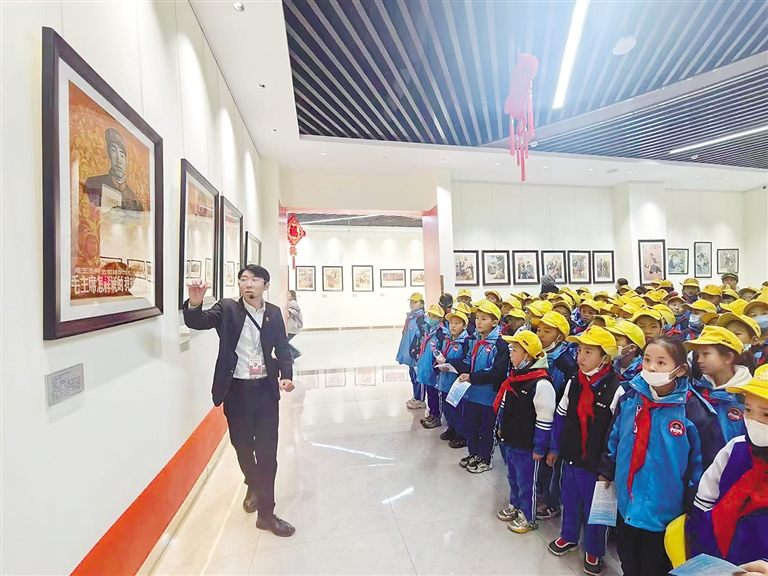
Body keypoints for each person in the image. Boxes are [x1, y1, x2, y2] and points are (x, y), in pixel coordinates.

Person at [183, 265, 295, 537]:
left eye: (255, 280)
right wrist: (195, 304)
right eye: (244, 279)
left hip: (265, 390)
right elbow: (199, 321)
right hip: (236, 391)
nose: (248, 284)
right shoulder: (227, 309)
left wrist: (287, 376)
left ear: (265, 286)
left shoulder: (273, 313)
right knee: (243, 446)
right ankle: (253, 483)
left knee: (267, 452)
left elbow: (282, 348)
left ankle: (266, 514)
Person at [598, 337, 723, 576]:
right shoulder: (630, 397)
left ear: (680, 370)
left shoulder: (694, 412)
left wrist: (691, 510)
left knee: (653, 567)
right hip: (627, 504)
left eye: (661, 362)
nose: (651, 368)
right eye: (647, 360)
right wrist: (606, 470)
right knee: (628, 561)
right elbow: (614, 437)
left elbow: (703, 468)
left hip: (664, 513)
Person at [548, 326, 623, 576]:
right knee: (569, 499)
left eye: (589, 352)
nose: (580, 357)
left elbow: (616, 434)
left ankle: (594, 549)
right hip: (571, 456)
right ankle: (569, 536)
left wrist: (607, 468)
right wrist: (555, 447)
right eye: (580, 350)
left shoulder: (616, 389)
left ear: (605, 358)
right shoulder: (574, 382)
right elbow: (561, 416)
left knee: (597, 510)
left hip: (597, 464)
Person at [686, 366, 768, 565]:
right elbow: (704, 499)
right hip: (716, 558)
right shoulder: (735, 449)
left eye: (766, 414)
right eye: (748, 410)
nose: (754, 420)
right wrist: (697, 553)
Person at [494, 331, 555, 534]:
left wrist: (539, 447)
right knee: (513, 477)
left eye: (515, 350)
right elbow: (504, 407)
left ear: (528, 355)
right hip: (510, 441)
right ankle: (515, 504)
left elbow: (545, 420)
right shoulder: (515, 378)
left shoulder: (542, 384)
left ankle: (528, 516)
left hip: (528, 446)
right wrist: (500, 428)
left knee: (527, 482)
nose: (511, 354)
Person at [456, 301, 510, 474]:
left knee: (487, 429)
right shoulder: (475, 340)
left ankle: (485, 458)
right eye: (477, 318)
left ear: (494, 322)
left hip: (488, 395)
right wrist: (460, 369)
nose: (478, 322)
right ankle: (474, 453)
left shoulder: (500, 344)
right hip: (471, 393)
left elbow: (497, 372)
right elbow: (468, 361)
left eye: (484, 319)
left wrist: (472, 377)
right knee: (470, 426)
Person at [535, 311, 577, 521]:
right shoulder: (538, 355)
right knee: (540, 460)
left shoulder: (565, 362)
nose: (541, 335)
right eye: (539, 330)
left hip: (555, 418)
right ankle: (539, 493)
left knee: (552, 464)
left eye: (547, 331)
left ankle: (552, 503)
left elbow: (564, 397)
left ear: (560, 336)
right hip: (540, 415)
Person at [685, 326, 750, 443]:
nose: (699, 360)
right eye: (698, 354)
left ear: (728, 357)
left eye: (706, 354)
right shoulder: (697, 391)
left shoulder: (746, 396)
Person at [84, 127, 144, 211]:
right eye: (114, 151)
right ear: (108, 154)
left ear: (126, 161)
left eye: (122, 155)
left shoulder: (136, 203)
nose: (119, 160)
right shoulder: (94, 184)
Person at [436, 310, 471, 448]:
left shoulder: (466, 341)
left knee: (458, 409)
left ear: (464, 325)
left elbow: (467, 363)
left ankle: (461, 434)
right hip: (445, 380)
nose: (453, 326)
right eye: (451, 322)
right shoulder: (447, 339)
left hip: (457, 382)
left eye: (457, 323)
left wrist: (448, 362)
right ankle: (452, 428)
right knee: (447, 408)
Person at [415, 304, 448, 429]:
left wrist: (438, 366)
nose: (430, 317)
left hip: (435, 370)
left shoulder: (441, 333)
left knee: (436, 394)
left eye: (434, 316)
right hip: (426, 368)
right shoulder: (427, 330)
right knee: (430, 393)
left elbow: (442, 351)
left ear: (440, 319)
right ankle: (432, 413)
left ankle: (437, 417)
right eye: (429, 315)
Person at [397, 293, 426, 410]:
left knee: (418, 376)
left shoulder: (421, 319)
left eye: (415, 302)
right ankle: (416, 396)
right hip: (410, 354)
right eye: (411, 302)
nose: (412, 304)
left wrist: (419, 352)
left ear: (422, 304)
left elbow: (423, 337)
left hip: (416, 355)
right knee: (412, 375)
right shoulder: (411, 318)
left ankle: (420, 400)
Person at [606, 320, 646, 390]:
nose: (611, 342)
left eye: (616, 339)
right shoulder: (609, 365)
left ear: (632, 347)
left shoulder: (642, 373)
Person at [286, 290, 303, 359]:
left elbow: (292, 313)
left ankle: (295, 353)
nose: (286, 295)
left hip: (293, 327)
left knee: (284, 342)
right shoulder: (291, 303)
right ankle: (293, 355)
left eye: (288, 294)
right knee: (284, 342)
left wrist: (286, 311)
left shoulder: (293, 303)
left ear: (292, 296)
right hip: (292, 327)